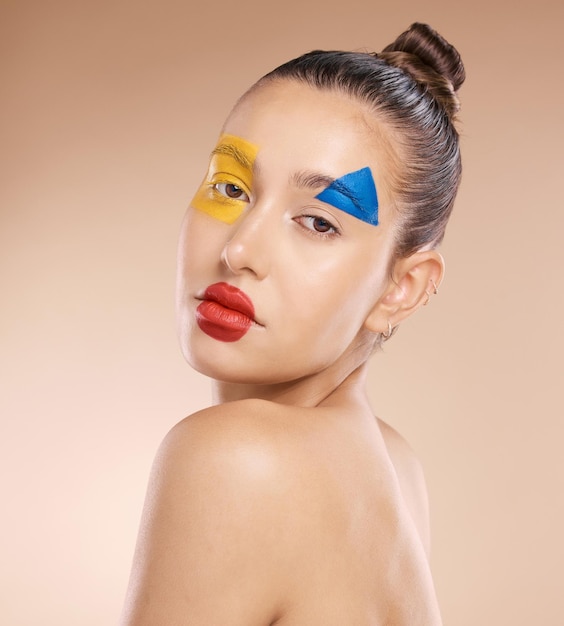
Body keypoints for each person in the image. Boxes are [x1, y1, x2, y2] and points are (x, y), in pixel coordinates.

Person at [121, 22, 465, 625]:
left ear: (401, 288)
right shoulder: (393, 464)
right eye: (230, 187)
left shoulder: (235, 457)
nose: (240, 250)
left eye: (319, 222)